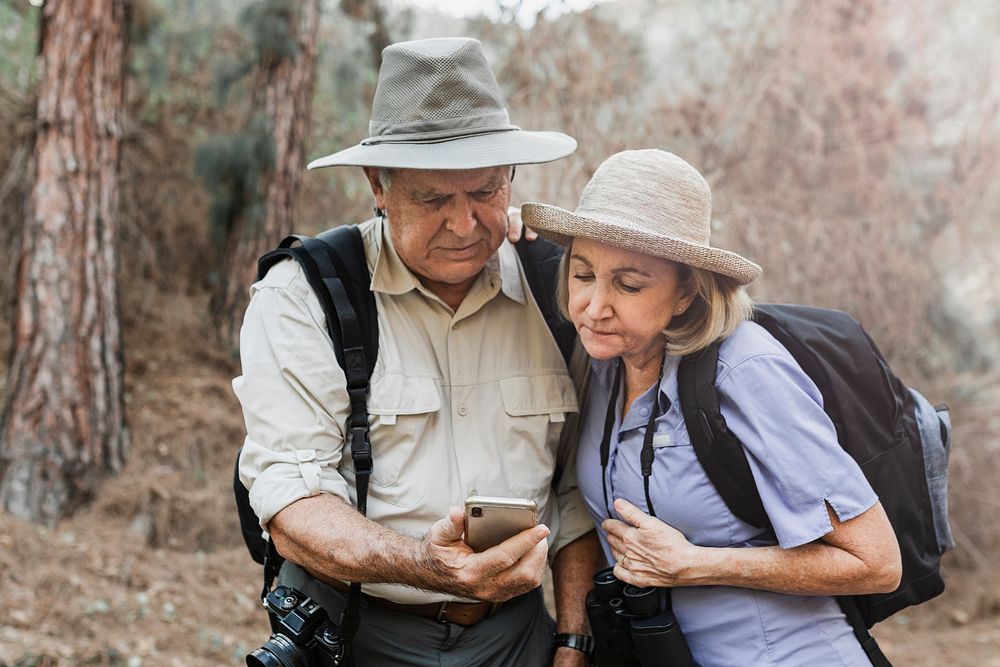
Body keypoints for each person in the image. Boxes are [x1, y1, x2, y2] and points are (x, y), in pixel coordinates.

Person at [234, 38, 601, 666]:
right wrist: (422, 566)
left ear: (511, 178)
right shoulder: (306, 295)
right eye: (434, 200)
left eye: (486, 192)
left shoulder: (557, 287)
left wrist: (572, 641)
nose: (465, 224)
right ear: (378, 184)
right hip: (361, 631)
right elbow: (292, 499)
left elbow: (576, 491)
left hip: (519, 637)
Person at [520, 149, 903, 666]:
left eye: (629, 285)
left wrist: (695, 564)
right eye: (583, 275)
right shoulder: (604, 360)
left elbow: (876, 562)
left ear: (685, 294)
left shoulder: (745, 370)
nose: (593, 306)